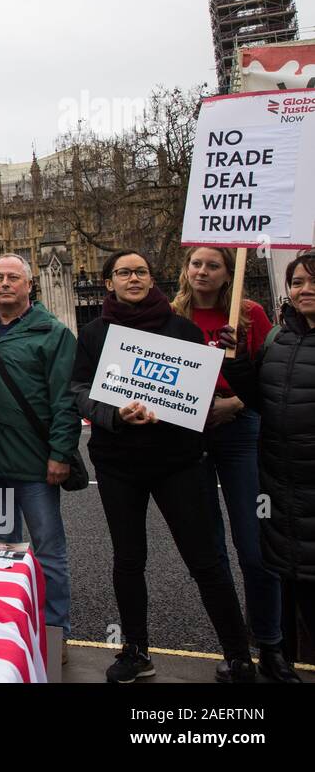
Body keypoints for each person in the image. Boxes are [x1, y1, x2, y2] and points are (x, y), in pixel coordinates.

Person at [71, 250, 253, 683]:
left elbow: (201, 392)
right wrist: (114, 415)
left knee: (205, 559)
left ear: (152, 279)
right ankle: (135, 651)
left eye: (141, 272)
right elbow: (78, 390)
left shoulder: (183, 328)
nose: (133, 278)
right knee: (129, 559)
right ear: (108, 281)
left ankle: (238, 654)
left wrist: (228, 363)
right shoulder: (95, 333)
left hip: (179, 461)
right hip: (118, 463)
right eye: (123, 272)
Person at [171, 247, 296, 682]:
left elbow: (271, 377)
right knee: (211, 553)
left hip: (241, 430)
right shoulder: (174, 316)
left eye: (213, 265)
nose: (202, 271)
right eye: (196, 264)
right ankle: (234, 649)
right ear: (187, 270)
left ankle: (272, 646)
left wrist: (234, 403)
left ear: (228, 274)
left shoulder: (249, 313)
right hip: (191, 437)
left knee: (256, 548)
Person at [220, 249, 315, 682]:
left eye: (313, 282)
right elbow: (260, 396)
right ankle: (279, 661)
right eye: (298, 283)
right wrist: (236, 362)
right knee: (289, 580)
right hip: (282, 483)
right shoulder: (280, 338)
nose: (305, 290)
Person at [0, 254, 79, 646]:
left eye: (13, 278)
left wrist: (61, 453)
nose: (5, 283)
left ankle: (55, 634)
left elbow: (65, 400)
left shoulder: (52, 333)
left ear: (29, 285)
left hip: (36, 465)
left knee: (49, 552)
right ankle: (7, 628)